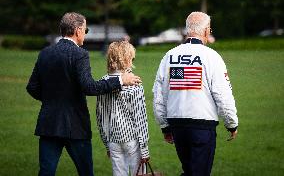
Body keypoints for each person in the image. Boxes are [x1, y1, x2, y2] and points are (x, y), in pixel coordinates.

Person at [26, 12, 141, 176]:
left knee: (46, 172)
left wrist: (52, 99)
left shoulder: (45, 52)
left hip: (49, 122)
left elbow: (32, 87)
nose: (85, 34)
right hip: (75, 126)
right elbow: (90, 87)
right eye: (85, 30)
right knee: (86, 172)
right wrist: (120, 80)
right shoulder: (80, 54)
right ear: (78, 30)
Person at [153, 11, 238, 176]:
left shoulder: (169, 56)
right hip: (202, 125)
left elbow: (159, 95)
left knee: (190, 171)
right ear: (206, 31)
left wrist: (165, 126)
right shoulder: (212, 57)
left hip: (177, 124)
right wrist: (231, 123)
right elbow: (223, 94)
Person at [96, 41, 150, 176]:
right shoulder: (134, 82)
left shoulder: (102, 82)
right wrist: (144, 149)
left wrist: (106, 142)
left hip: (113, 138)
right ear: (127, 58)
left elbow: (100, 116)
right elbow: (140, 118)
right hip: (132, 139)